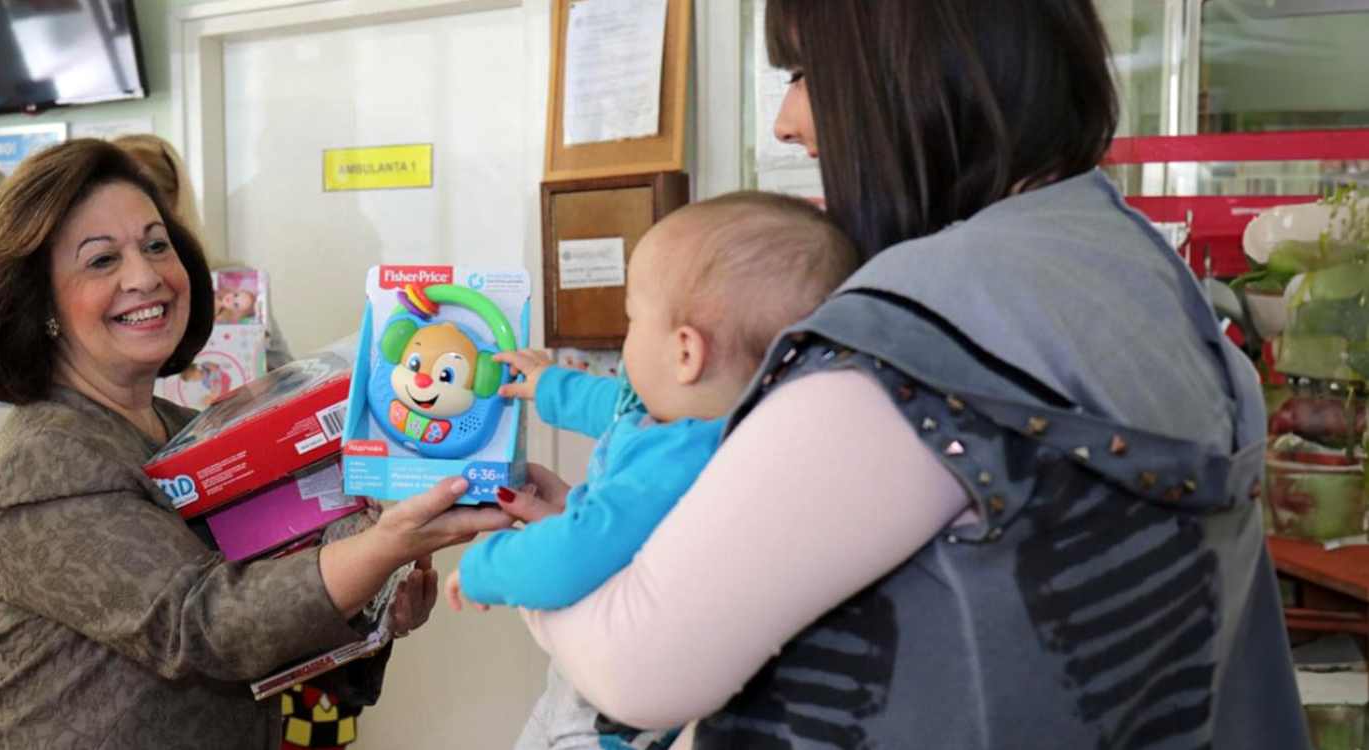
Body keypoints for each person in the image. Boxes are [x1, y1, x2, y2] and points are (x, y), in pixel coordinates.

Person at [492, 1, 1316, 748]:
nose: (787, 122)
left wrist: (545, 563)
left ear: (913, 76)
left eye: (806, 75)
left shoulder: (908, 340)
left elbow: (638, 664)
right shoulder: (1140, 274)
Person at [0, 139, 510, 749]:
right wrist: (382, 549)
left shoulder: (181, 428)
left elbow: (258, 619)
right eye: (101, 261)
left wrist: (373, 612)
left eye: (154, 244)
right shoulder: (42, 461)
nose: (144, 276)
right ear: (42, 303)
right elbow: (199, 623)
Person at [447, 193, 857, 750]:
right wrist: (549, 385)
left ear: (686, 353)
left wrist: (483, 567)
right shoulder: (696, 424)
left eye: (633, 320)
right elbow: (619, 406)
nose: (625, 338)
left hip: (601, 724)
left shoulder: (677, 459)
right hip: (580, 700)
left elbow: (575, 552)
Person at [112, 133, 293, 369]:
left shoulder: (237, 284)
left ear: (172, 200)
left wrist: (257, 348)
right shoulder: (99, 297)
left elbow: (286, 376)